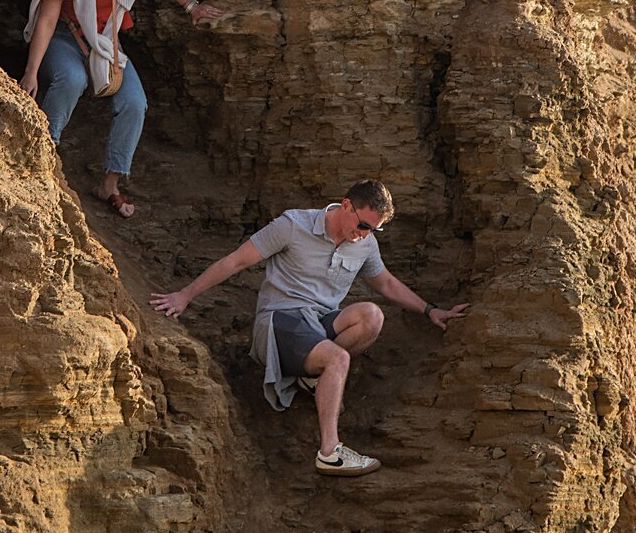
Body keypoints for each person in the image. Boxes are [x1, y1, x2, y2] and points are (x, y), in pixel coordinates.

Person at [150, 180, 469, 475]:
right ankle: (330, 451)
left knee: (372, 315)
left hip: (318, 324)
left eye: (375, 230)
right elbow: (237, 261)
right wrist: (184, 295)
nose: (365, 234)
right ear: (346, 205)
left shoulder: (365, 243)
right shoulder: (293, 225)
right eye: (363, 225)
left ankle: (313, 377)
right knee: (338, 359)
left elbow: (385, 282)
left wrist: (430, 310)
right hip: (280, 322)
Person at [20, 0, 224, 216]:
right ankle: (39, 155)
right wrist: (31, 72)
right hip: (64, 37)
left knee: (135, 103)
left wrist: (191, 8)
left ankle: (110, 185)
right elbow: (47, 19)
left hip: (105, 40)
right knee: (72, 79)